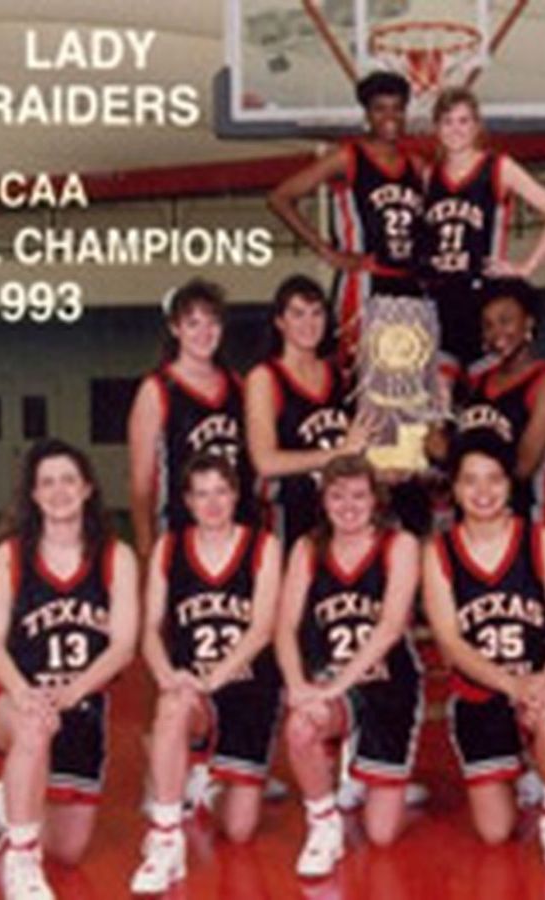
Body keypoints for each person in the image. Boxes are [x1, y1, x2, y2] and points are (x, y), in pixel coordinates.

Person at [0, 439, 138, 900]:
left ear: (86, 489)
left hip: (80, 702)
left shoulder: (116, 557)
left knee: (68, 849)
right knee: (33, 729)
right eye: (47, 483)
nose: (58, 491)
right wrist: (25, 694)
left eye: (68, 480)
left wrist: (68, 693)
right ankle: (21, 862)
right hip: (13, 695)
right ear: (34, 495)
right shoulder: (9, 556)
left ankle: (10, 797)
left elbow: (122, 647)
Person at [422, 433, 545, 884]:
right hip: (482, 691)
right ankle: (526, 766)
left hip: (540, 683)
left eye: (494, 479)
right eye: (471, 481)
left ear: (509, 484)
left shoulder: (540, 541)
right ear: (454, 489)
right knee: (495, 833)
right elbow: (451, 644)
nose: (483, 492)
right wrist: (513, 686)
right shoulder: (439, 552)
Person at [130, 455, 282, 893]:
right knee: (173, 708)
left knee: (238, 830)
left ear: (235, 495)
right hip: (191, 688)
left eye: (221, 491)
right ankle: (165, 836)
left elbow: (262, 628)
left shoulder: (263, 546)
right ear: (187, 501)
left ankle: (206, 784)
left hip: (249, 688)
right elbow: (150, 631)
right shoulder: (169, 548)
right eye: (201, 493)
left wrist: (213, 679)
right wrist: (168, 676)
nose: (212, 502)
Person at [275, 455, 424, 877]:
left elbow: (391, 627)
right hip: (330, 683)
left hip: (389, 686)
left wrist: (334, 685)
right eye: (337, 496)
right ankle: (323, 825)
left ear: (376, 499)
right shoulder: (307, 548)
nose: (348, 506)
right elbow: (284, 627)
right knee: (301, 727)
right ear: (323, 501)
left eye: (359, 495)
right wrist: (297, 686)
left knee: (381, 835)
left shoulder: (401, 545)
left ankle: (366, 769)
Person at [267, 71, 425, 370]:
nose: (390, 117)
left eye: (397, 108)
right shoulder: (347, 157)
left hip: (410, 282)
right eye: (380, 108)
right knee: (361, 376)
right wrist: (327, 252)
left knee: (406, 376)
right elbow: (280, 198)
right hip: (365, 280)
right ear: (367, 114)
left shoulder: (416, 165)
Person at [422, 87, 545, 371]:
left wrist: (526, 268)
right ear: (436, 128)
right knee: (440, 399)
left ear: (477, 125)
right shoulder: (428, 176)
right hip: (438, 300)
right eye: (447, 121)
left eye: (464, 120)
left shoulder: (498, 168)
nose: (456, 129)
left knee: (487, 396)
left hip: (484, 301)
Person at [127, 278, 254, 566]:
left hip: (237, 531)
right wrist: (147, 553)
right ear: (175, 328)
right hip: (179, 533)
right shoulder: (157, 389)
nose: (204, 332)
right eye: (193, 323)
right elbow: (140, 485)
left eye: (212, 323)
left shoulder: (237, 384)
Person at [245, 275, 375, 549]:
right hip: (288, 517)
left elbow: (359, 443)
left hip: (340, 515)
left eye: (317, 313)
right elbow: (265, 462)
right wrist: (337, 455)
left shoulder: (340, 374)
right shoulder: (265, 377)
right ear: (280, 322)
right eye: (298, 314)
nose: (309, 323)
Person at [450, 279, 545, 526]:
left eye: (505, 321)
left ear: (528, 322)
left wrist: (458, 464)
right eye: (488, 325)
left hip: (528, 518)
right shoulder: (476, 381)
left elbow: (524, 466)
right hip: (475, 521)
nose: (497, 334)